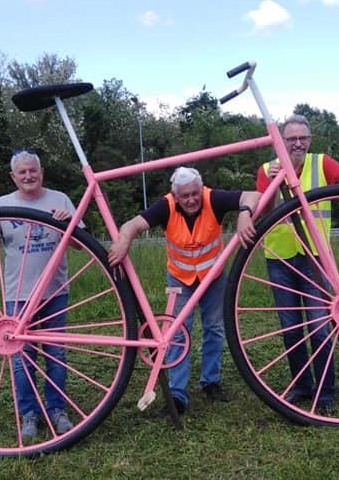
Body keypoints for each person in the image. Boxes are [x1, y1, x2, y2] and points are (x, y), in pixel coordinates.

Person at [107, 166, 260, 414]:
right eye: (185, 195)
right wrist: (124, 240)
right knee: (177, 333)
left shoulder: (213, 198)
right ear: (175, 195)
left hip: (213, 277)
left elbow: (253, 195)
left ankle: (211, 382)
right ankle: (178, 394)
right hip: (180, 279)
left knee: (214, 328)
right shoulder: (165, 206)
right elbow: (132, 225)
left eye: (195, 193)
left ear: (201, 189)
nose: (191, 199)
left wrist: (245, 213)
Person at [255, 114, 339, 409]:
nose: (298, 143)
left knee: (319, 325)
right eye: (291, 139)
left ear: (310, 139)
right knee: (290, 328)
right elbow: (262, 213)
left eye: (303, 138)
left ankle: (325, 393)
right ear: (282, 142)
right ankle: (302, 386)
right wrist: (275, 184)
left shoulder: (321, 163)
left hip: (315, 257)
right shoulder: (267, 170)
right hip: (280, 259)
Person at [0, 149, 80, 439]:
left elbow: (83, 244)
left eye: (33, 170)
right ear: (13, 176)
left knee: (56, 354)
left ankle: (57, 410)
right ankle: (29, 413)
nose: (29, 176)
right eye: (23, 172)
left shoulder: (60, 200)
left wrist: (67, 223)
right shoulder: (3, 205)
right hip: (18, 296)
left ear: (41, 172)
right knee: (22, 358)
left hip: (55, 292)